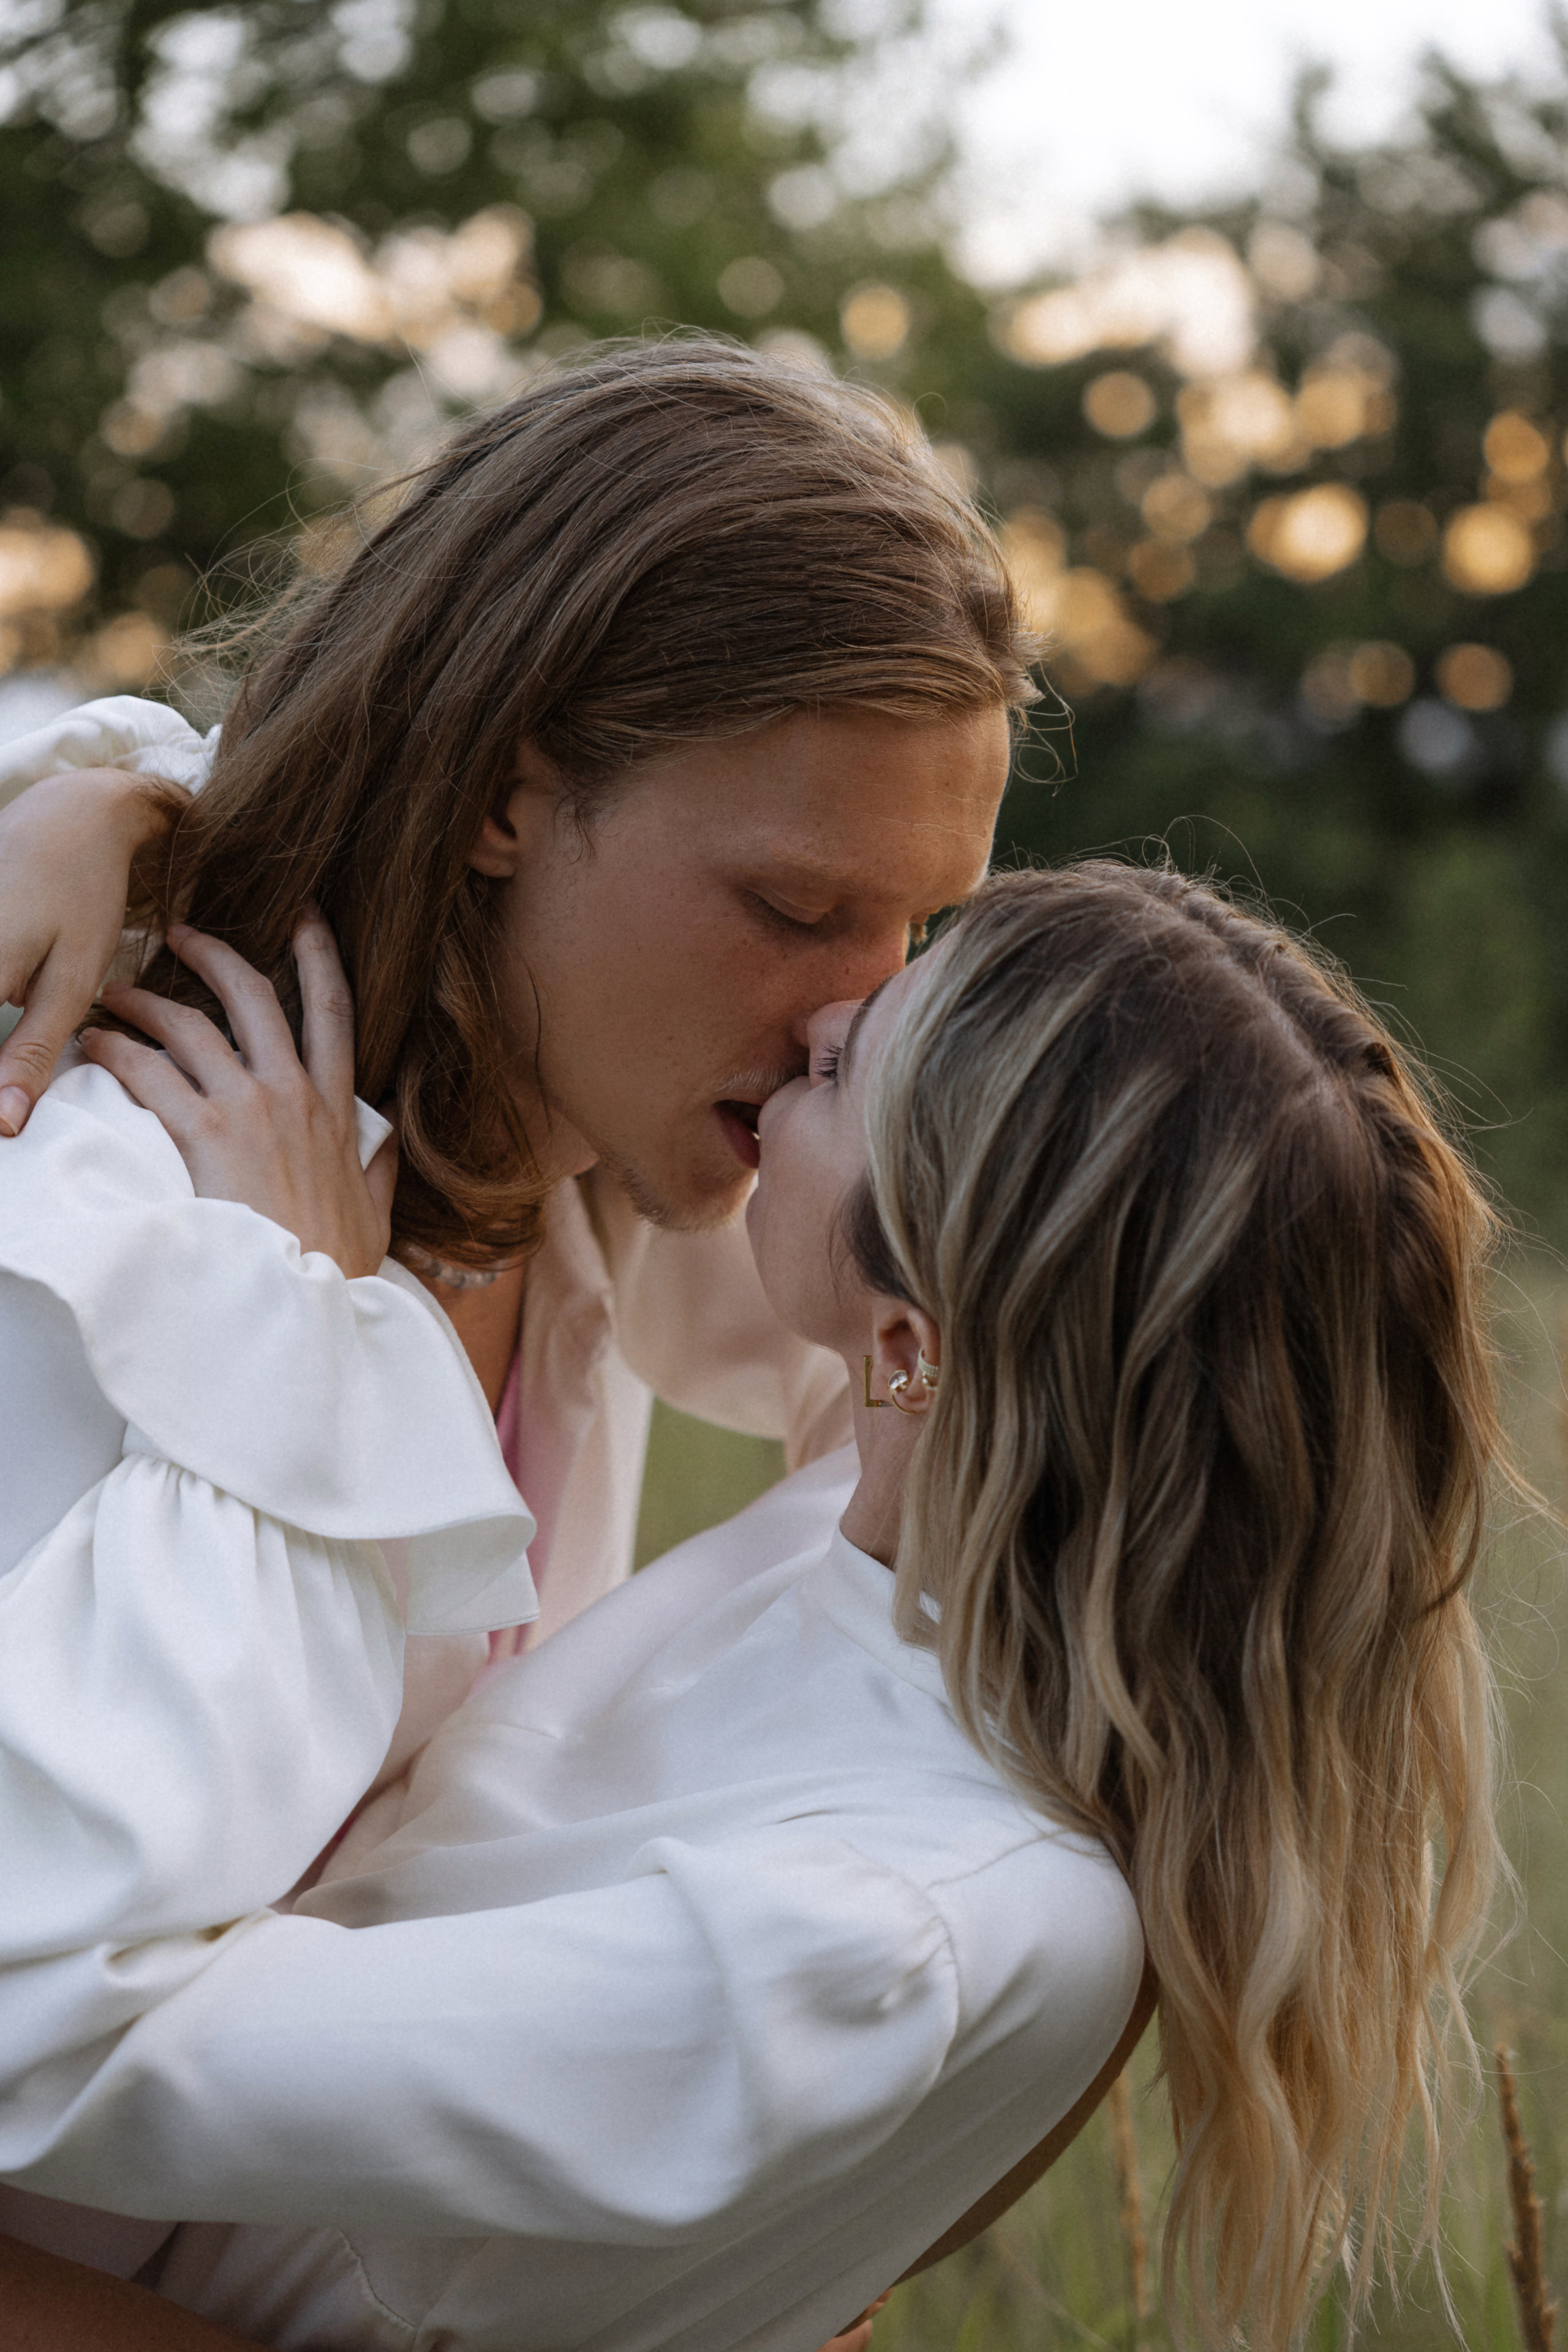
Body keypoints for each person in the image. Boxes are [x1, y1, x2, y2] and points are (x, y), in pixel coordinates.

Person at [0, 857, 1501, 2352]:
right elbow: (583, 1079)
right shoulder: (901, 1523)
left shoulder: (886, 1935)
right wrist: (107, 805)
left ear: (911, 1336)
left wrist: (287, 1323)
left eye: (844, 1072)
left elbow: (55, 2043)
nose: (809, 1026)